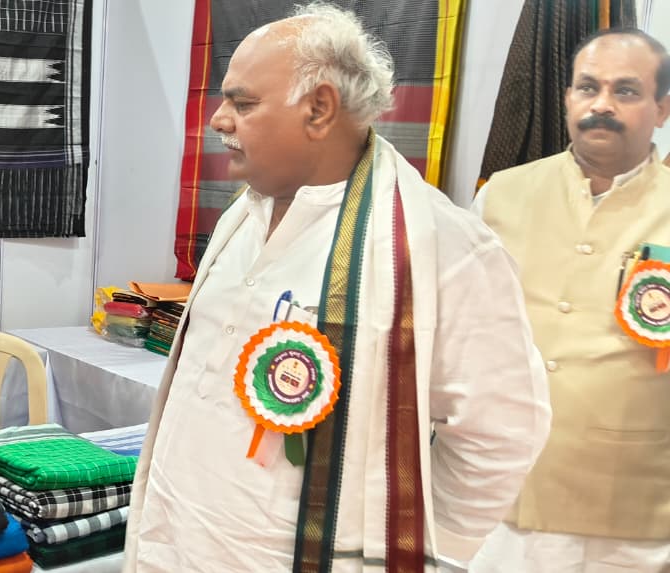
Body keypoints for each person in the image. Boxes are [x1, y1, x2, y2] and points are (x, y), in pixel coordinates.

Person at [122, 4, 551, 572]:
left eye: (243, 103)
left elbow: (501, 436)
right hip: (172, 539)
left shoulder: (441, 246)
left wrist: (413, 549)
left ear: (319, 109)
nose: (219, 120)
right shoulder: (242, 216)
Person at [471, 28, 670, 572]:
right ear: (567, 98)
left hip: (636, 511)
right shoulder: (500, 196)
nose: (602, 104)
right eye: (588, 87)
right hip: (506, 499)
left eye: (626, 91)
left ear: (661, 109)